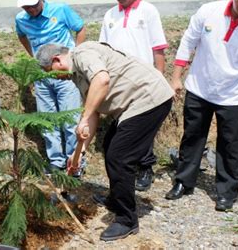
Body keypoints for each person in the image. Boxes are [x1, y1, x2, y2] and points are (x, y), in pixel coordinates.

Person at [35, 42, 173, 241]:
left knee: (120, 157)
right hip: (131, 106)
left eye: (51, 72)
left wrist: (84, 117)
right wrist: (78, 153)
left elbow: (102, 79)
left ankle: (127, 219)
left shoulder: (83, 54)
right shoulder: (76, 75)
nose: (54, 77)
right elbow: (94, 113)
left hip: (150, 99)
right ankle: (117, 198)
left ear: (57, 60)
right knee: (110, 146)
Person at [165, 0, 238, 212]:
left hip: (234, 94)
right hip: (200, 87)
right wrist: (176, 77)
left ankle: (227, 192)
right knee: (192, 137)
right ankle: (183, 182)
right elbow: (188, 42)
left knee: (231, 145)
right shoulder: (209, 12)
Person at [99, 0, 168, 192]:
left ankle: (146, 167)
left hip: (144, 83)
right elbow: (103, 49)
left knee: (142, 128)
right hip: (119, 85)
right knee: (123, 128)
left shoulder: (148, 11)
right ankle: (126, 172)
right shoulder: (110, 15)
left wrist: (160, 79)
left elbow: (158, 49)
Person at [15, 0, 87, 175]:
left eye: (33, 4)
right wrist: (33, 56)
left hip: (65, 76)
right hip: (42, 76)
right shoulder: (21, 19)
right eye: (25, 7)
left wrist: (75, 55)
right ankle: (56, 160)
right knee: (47, 120)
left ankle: (75, 161)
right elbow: (22, 36)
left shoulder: (60, 9)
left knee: (70, 119)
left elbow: (80, 29)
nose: (30, 10)